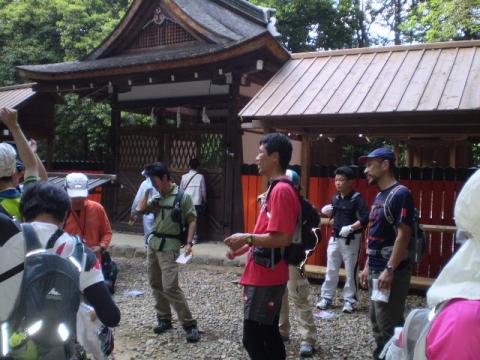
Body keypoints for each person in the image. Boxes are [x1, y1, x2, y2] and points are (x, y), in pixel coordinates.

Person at [0, 182, 120, 358]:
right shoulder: (81, 253)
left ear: (24, 212)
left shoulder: (6, 237)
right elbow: (111, 316)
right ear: (65, 215)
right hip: (56, 351)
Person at [224, 133, 300, 360]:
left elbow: (283, 238)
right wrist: (242, 247)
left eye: (260, 153)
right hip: (264, 270)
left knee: (253, 337)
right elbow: (266, 234)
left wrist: (246, 238)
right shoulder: (275, 189)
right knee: (267, 331)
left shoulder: (281, 191)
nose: (256, 158)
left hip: (266, 275)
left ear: (275, 157)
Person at [358, 148, 414, 360]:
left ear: (385, 165)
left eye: (370, 165)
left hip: (391, 272)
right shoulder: (380, 195)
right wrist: (366, 267)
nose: (366, 170)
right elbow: (374, 233)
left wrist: (389, 269)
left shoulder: (400, 194)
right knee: (376, 320)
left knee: (390, 325)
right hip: (376, 270)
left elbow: (404, 234)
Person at [136, 162, 200, 343]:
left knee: (170, 286)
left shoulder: (182, 197)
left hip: (170, 246)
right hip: (154, 244)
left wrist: (189, 243)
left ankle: (189, 324)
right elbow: (140, 210)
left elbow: (192, 220)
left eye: (155, 181)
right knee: (155, 283)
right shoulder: (157, 197)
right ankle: (163, 318)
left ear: (165, 178)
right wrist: (148, 191)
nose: (154, 185)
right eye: (151, 182)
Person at [317, 166, 369, 313]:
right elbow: (336, 213)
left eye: (342, 180)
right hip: (335, 238)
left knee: (350, 271)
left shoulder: (356, 198)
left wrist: (352, 228)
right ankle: (326, 297)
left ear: (350, 182)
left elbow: (365, 218)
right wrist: (330, 211)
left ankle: (349, 300)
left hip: (351, 240)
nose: (338, 183)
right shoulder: (336, 198)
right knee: (331, 269)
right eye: (336, 180)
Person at [278, 169, 317, 358]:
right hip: (277, 256)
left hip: (295, 257)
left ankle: (308, 339)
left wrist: (305, 251)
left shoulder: (305, 207)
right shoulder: (274, 203)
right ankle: (282, 331)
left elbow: (314, 231)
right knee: (279, 295)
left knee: (299, 296)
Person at [0, 107, 47, 219]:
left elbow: (31, 166)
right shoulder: (27, 198)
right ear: (13, 172)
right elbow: (31, 166)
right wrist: (14, 126)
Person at [64, 173, 112, 259]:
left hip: (93, 260)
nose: (78, 200)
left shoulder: (97, 209)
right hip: (67, 260)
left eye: (80, 196)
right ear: (65, 190)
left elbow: (107, 233)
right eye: (74, 196)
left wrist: (101, 247)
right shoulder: (60, 211)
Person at [180, 158, 206, 241]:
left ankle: (184, 236)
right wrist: (205, 201)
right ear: (198, 166)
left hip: (185, 201)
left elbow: (181, 191)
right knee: (194, 220)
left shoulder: (184, 177)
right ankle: (193, 238)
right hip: (196, 202)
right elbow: (203, 190)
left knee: (185, 220)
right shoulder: (200, 177)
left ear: (189, 166)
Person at [130, 170, 159, 245]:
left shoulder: (145, 184)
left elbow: (137, 200)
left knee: (149, 234)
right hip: (159, 212)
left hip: (147, 213)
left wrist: (133, 213)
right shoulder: (160, 183)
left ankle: (149, 249)